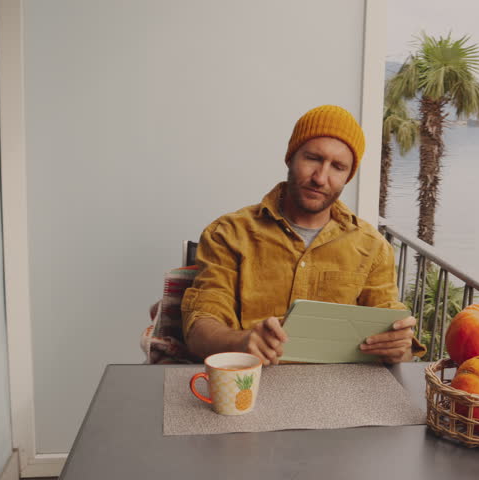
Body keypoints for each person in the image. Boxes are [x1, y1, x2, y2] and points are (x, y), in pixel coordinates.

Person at [181, 105, 425, 365]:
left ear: (347, 177)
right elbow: (200, 327)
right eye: (313, 158)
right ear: (290, 158)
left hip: (338, 385)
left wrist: (399, 348)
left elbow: (396, 340)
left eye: (338, 167)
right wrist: (241, 342)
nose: (320, 178)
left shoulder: (373, 247)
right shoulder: (228, 233)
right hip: (251, 379)